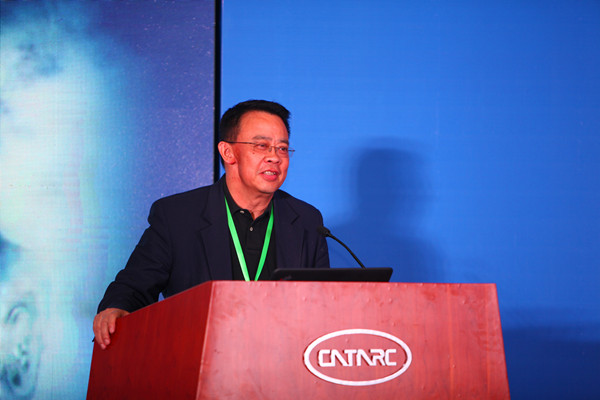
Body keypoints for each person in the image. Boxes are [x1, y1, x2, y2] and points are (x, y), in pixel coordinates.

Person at [93, 100, 330, 349]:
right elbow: (134, 286)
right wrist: (116, 308)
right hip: (201, 357)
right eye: (261, 146)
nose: (274, 157)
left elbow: (325, 304)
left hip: (283, 360)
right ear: (228, 152)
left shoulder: (307, 221)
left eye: (282, 148)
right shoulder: (178, 217)